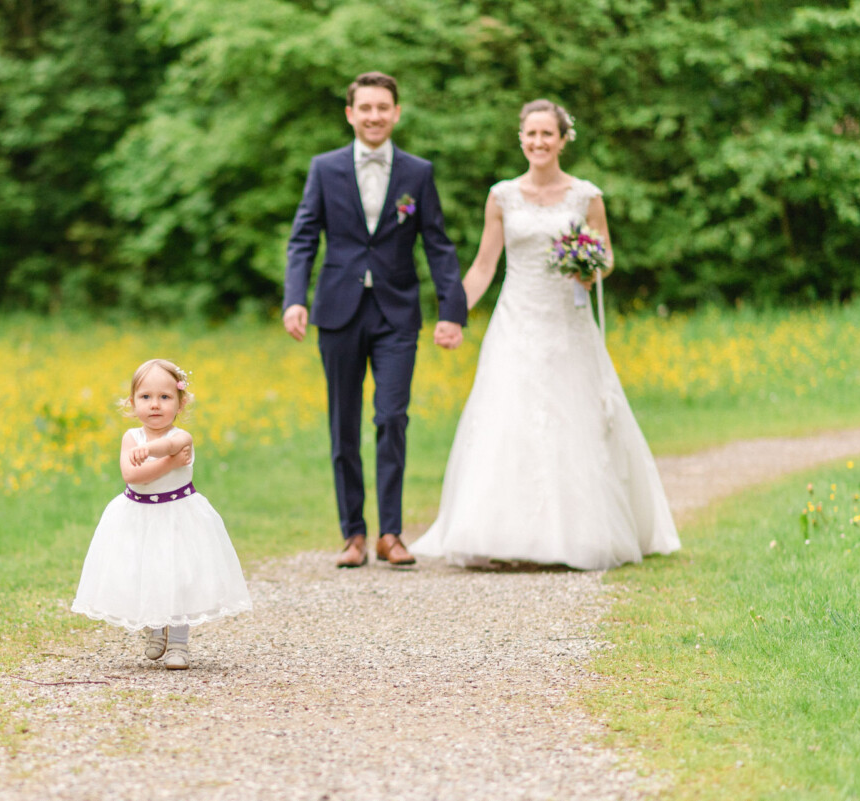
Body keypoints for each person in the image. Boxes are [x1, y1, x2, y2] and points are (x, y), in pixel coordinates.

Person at [412, 100, 681, 570]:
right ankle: (499, 536)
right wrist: (453, 314)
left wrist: (589, 268)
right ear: (521, 138)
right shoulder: (501, 196)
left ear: (562, 139)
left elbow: (606, 257)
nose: (538, 142)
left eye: (547, 134)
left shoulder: (586, 196)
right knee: (507, 418)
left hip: (566, 325)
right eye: (531, 134)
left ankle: (574, 535)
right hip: (515, 322)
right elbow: (484, 266)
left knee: (571, 418)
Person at [283, 71, 468, 569]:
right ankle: (353, 535)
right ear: (350, 113)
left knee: (391, 417)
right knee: (343, 424)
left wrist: (452, 311)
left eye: (383, 107)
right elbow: (303, 238)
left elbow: (438, 245)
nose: (374, 116)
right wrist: (294, 299)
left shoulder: (418, 173)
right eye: (365, 107)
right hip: (338, 311)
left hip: (396, 312)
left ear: (396, 113)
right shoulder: (324, 168)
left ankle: (390, 534)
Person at [71, 359, 251, 669]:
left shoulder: (183, 437)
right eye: (146, 397)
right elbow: (132, 475)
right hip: (138, 518)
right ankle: (155, 630)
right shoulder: (131, 438)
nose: (155, 405)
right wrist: (168, 462)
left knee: (179, 576)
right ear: (132, 403)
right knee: (145, 573)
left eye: (165, 397)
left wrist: (154, 453)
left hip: (178, 516)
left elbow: (171, 446)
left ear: (181, 403)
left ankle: (179, 643)